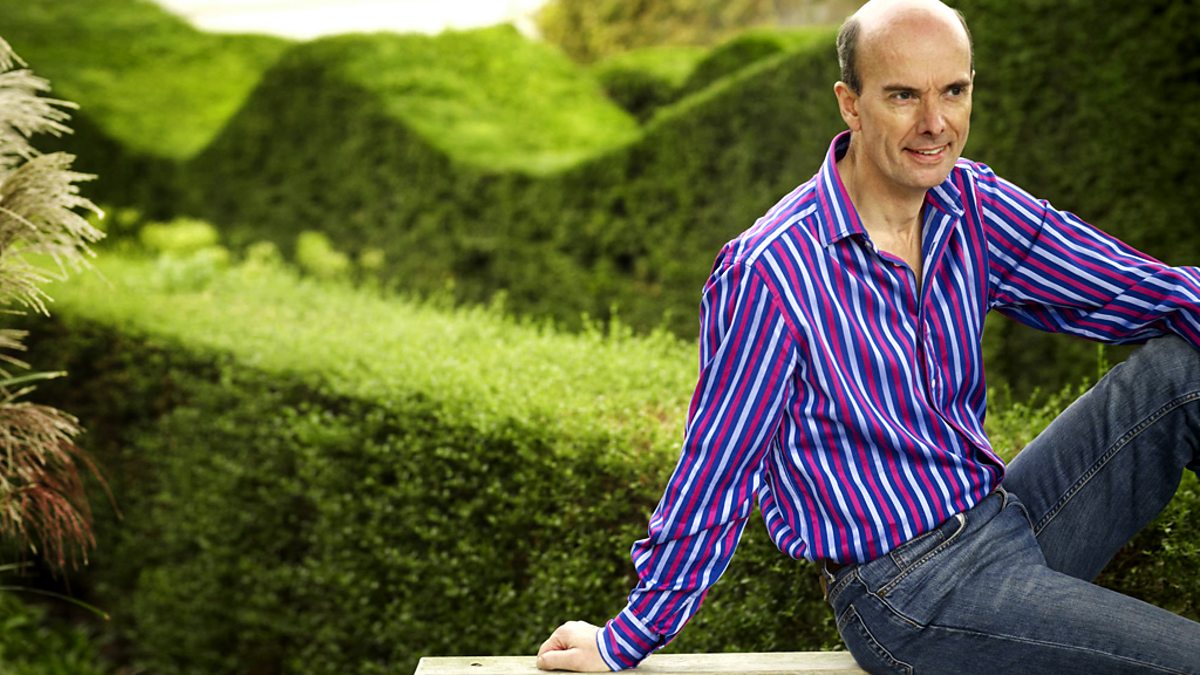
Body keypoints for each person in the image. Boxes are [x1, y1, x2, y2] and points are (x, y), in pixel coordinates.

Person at [536, 0, 1200, 671]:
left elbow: (1133, 287)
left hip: (1002, 518)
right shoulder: (771, 270)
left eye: (953, 91)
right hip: (907, 593)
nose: (935, 123)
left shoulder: (972, 203)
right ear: (850, 104)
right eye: (903, 95)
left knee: (1181, 375)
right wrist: (624, 640)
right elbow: (718, 469)